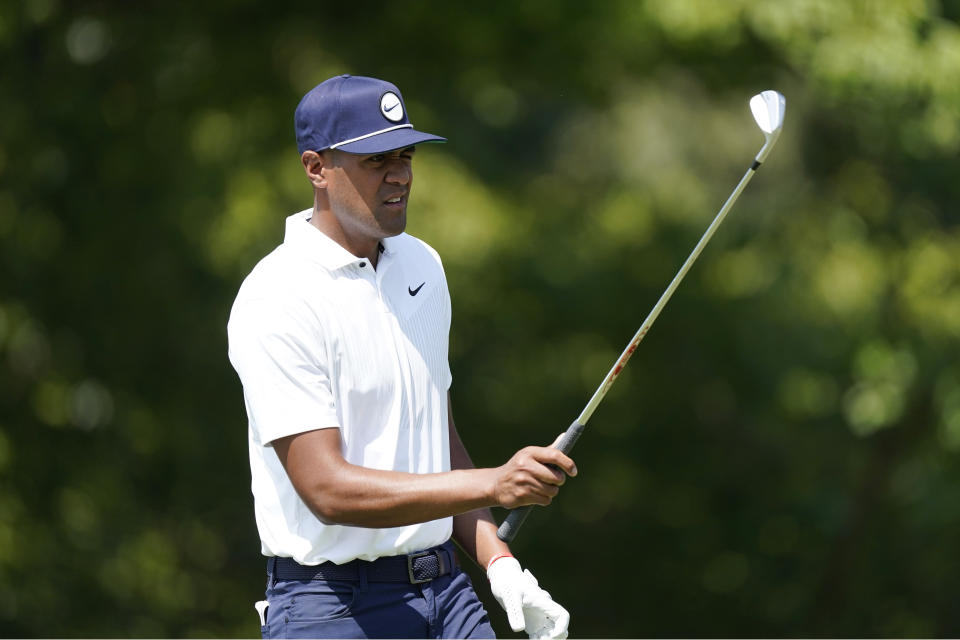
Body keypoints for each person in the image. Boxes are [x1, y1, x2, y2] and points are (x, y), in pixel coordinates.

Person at [227, 74, 577, 639]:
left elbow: (435, 436)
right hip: (332, 607)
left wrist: (500, 565)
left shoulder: (422, 267)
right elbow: (327, 489)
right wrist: (493, 484)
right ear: (316, 168)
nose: (401, 174)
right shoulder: (277, 295)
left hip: (445, 591)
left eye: (406, 155)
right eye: (375, 160)